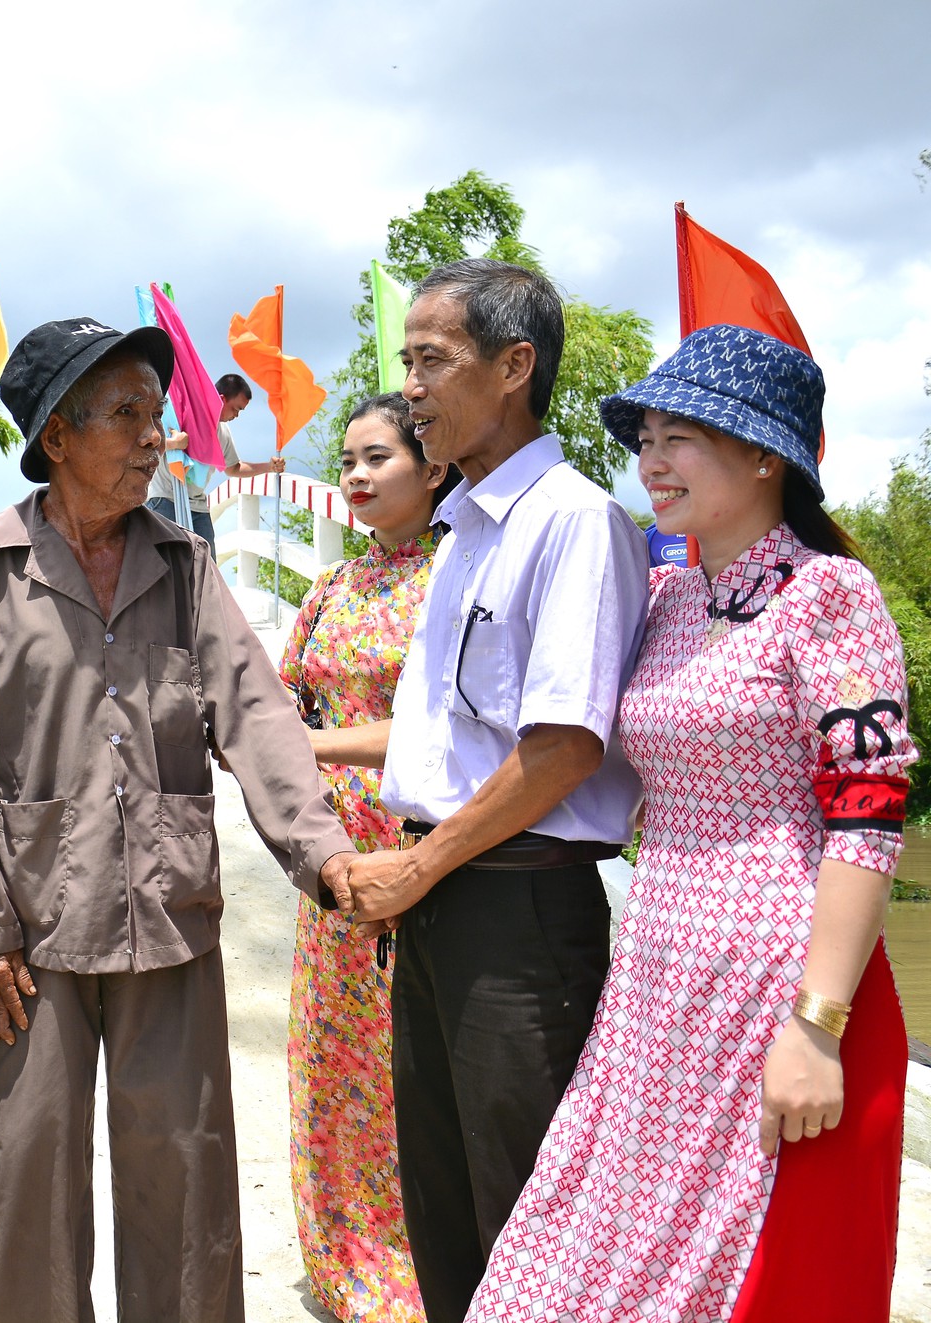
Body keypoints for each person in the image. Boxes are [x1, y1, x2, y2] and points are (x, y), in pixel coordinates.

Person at [471, 326, 915, 1321]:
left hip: (780, 984)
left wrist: (815, 1025)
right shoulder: (667, 596)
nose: (650, 461)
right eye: (645, 439)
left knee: (748, 1278)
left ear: (764, 455)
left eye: (680, 437)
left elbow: (867, 813)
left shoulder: (826, 596)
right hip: (657, 987)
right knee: (585, 1256)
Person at [0, 316, 359, 1321]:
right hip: (32, 931)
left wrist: (322, 853)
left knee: (185, 1167)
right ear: (55, 436)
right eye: (125, 415)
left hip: (168, 914)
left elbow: (255, 712)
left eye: (153, 414)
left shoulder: (185, 565)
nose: (151, 435)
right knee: (30, 1170)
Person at [332, 259, 651, 1323]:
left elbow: (560, 751)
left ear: (514, 367)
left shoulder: (571, 522)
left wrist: (416, 864)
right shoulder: (464, 528)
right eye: (406, 362)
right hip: (441, 898)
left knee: (523, 1212)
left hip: (514, 909)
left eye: (431, 361)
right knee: (439, 1198)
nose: (409, 387)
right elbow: (442, 736)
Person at [279, 392, 455, 1322]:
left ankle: (424, 1268)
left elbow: (450, 729)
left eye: (377, 456)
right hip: (336, 865)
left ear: (433, 468)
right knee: (336, 1068)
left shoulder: (460, 576)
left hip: (426, 861)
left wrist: (316, 745)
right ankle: (347, 1265)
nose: (353, 475)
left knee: (412, 1071)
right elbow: (278, 704)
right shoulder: (329, 588)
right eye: (346, 458)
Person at [145, 372, 284, 549]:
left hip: (198, 506)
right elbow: (148, 443)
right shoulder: (182, 412)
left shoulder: (223, 432)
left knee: (207, 568)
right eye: (236, 409)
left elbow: (233, 468)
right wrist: (174, 443)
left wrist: (269, 467)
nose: (237, 415)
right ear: (222, 399)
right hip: (166, 498)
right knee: (169, 566)